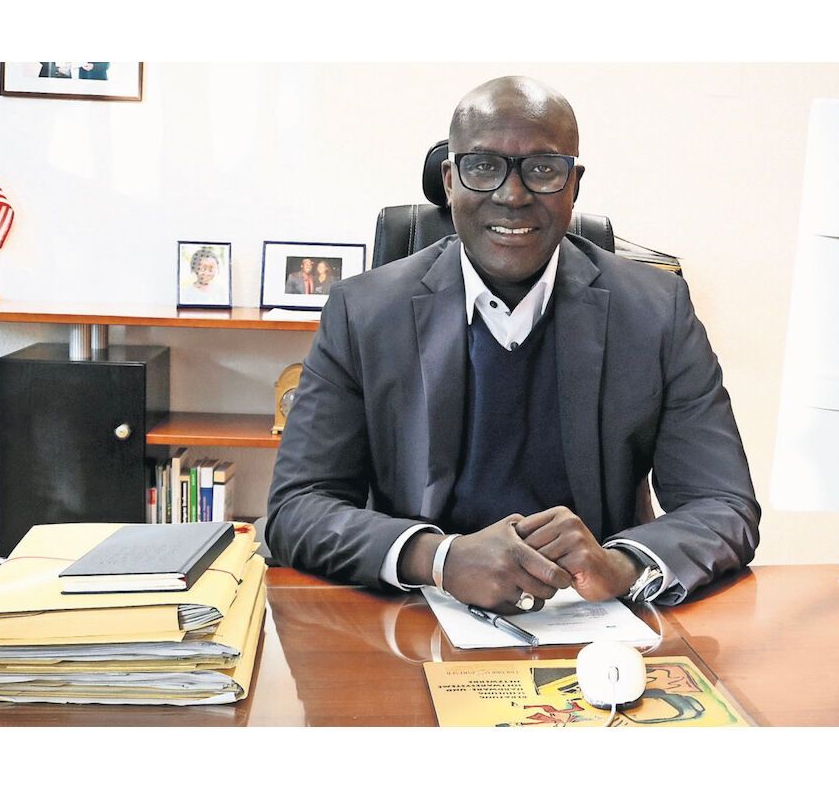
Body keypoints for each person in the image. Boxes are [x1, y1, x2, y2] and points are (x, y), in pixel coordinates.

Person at [266, 76, 760, 614]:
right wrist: (439, 558)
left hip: (595, 622)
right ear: (450, 180)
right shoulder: (363, 312)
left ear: (574, 184)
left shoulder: (657, 312)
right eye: (483, 166)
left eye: (543, 169)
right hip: (417, 615)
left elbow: (724, 504)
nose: (513, 195)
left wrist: (621, 564)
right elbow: (297, 507)